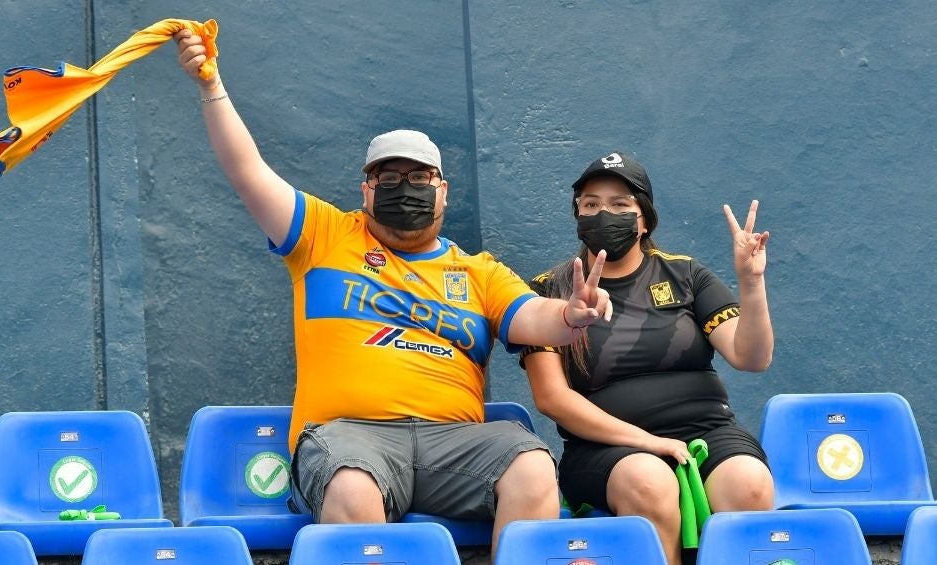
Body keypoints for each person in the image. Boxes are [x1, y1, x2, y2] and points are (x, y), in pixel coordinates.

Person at [173, 30, 614, 557]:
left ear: (442, 190)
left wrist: (571, 314)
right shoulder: (322, 236)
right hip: (348, 439)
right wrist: (211, 85)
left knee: (534, 468)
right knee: (353, 489)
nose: (404, 187)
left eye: (419, 176)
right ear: (366, 190)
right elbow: (247, 172)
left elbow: (531, 317)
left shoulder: (476, 271)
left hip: (455, 444)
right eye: (388, 177)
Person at [521, 151, 774, 565]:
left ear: (644, 219)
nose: (604, 213)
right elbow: (551, 398)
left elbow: (752, 357)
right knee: (650, 481)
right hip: (605, 447)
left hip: (707, 429)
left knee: (750, 484)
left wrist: (751, 282)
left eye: (621, 204)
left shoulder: (686, 275)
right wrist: (650, 443)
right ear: (577, 216)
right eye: (591, 204)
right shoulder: (550, 291)